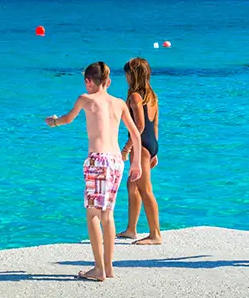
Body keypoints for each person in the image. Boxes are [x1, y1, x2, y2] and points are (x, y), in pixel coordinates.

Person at [45, 62, 142, 281]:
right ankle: (108, 267)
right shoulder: (119, 103)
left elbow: (68, 119)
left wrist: (54, 122)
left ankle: (98, 269)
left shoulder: (85, 99)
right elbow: (135, 134)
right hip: (117, 160)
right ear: (107, 81)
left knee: (92, 215)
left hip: (98, 161)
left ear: (89, 81)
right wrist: (136, 163)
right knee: (107, 214)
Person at [116, 58, 163, 244]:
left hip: (141, 145)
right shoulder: (152, 95)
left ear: (132, 75)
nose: (125, 77)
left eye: (127, 73)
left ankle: (155, 234)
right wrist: (155, 151)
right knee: (132, 185)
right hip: (150, 144)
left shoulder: (135, 96)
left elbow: (140, 127)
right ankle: (131, 229)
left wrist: (126, 149)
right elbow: (155, 124)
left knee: (145, 189)